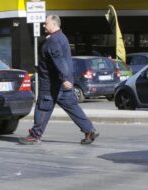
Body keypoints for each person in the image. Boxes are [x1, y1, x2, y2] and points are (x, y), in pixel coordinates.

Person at [19, 15, 100, 145]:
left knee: (43, 108)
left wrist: (64, 78)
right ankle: (89, 130)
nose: (44, 26)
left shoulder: (53, 41)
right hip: (62, 84)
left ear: (54, 24)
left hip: (51, 84)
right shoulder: (61, 37)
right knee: (73, 108)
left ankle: (35, 135)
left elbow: (59, 61)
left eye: (46, 23)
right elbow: (56, 60)